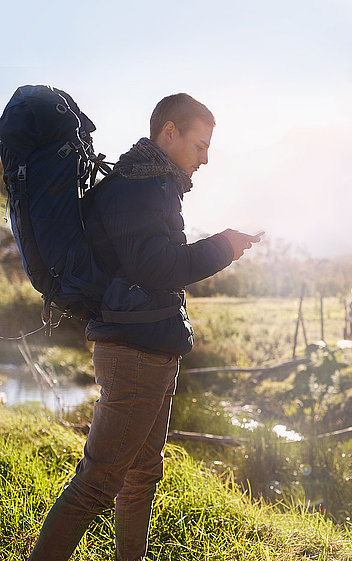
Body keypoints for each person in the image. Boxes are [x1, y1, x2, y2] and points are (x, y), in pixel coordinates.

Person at [27, 93, 261, 561]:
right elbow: (158, 267)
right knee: (97, 485)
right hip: (134, 355)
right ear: (168, 133)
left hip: (152, 348)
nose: (205, 158)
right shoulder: (136, 189)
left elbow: (150, 267)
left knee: (141, 476)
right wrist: (225, 246)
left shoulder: (151, 183)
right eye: (200, 145)